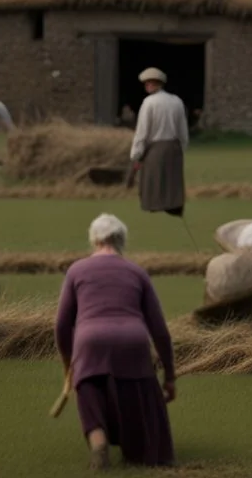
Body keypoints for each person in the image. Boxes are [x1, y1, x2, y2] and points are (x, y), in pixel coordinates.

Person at [55, 214, 176, 470]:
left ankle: (98, 439)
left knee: (89, 392)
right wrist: (170, 376)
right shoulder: (137, 272)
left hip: (90, 341)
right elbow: (160, 330)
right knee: (136, 396)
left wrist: (69, 363)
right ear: (122, 240)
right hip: (132, 340)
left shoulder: (77, 270)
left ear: (94, 240)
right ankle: (138, 449)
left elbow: (62, 325)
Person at [130, 68, 189, 217]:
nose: (147, 85)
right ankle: (174, 208)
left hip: (155, 148)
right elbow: (183, 130)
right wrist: (182, 147)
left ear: (156, 84)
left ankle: (155, 208)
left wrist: (136, 154)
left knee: (154, 181)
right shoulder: (177, 101)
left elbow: (142, 132)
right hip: (174, 147)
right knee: (172, 181)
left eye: (149, 83)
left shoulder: (149, 103)